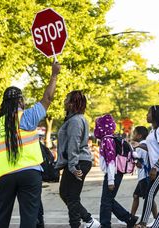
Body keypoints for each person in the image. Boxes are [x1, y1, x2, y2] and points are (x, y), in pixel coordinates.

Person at [0, 62, 60, 228]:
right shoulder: (26, 117)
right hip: (29, 174)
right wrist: (54, 75)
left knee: (1, 217)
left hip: (4, 176)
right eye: (23, 100)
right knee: (29, 217)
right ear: (20, 101)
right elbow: (47, 99)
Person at [55, 90, 99, 228]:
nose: (65, 102)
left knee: (72, 196)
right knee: (65, 193)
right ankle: (89, 220)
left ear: (73, 103)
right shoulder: (75, 119)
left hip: (78, 161)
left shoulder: (75, 120)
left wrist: (73, 167)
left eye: (67, 99)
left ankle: (78, 224)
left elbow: (74, 142)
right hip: (76, 160)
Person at [94, 114, 138, 228]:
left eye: (98, 126)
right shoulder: (110, 138)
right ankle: (129, 218)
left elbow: (111, 161)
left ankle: (106, 224)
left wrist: (111, 180)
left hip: (113, 173)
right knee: (108, 200)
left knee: (106, 202)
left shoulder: (107, 140)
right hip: (115, 173)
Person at [130, 126, 159, 227]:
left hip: (144, 177)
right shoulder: (145, 144)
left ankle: (157, 221)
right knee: (136, 196)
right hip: (144, 176)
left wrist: (133, 158)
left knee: (149, 199)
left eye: (134, 133)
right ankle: (131, 218)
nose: (132, 135)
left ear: (139, 135)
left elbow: (139, 163)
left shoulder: (141, 147)